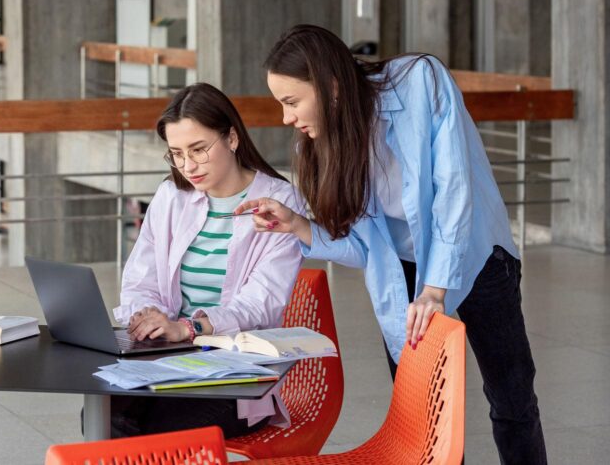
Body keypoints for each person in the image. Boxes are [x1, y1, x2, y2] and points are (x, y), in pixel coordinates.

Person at [237, 24, 546, 463]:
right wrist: (299, 226)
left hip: (476, 253)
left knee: (512, 396)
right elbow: (366, 248)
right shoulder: (331, 143)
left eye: (290, 102)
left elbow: (454, 191)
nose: (286, 117)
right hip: (404, 270)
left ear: (331, 86)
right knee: (425, 410)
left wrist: (435, 288)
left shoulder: (421, 80)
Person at [109, 82, 304, 438]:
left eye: (199, 150)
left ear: (231, 138)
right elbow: (141, 278)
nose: (188, 166)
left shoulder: (279, 201)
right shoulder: (172, 196)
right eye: (177, 154)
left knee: (153, 432)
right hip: (166, 359)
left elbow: (261, 304)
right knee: (103, 414)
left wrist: (188, 328)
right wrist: (145, 316)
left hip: (237, 373)